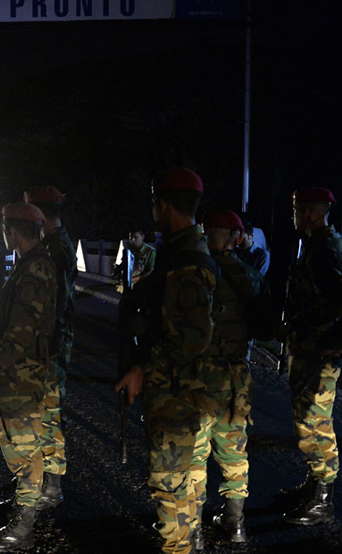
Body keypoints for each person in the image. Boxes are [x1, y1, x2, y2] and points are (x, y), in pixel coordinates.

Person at [116, 168, 217, 554]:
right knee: (188, 477)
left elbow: (193, 336)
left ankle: (178, 548)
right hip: (185, 387)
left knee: (170, 481)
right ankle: (187, 542)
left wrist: (143, 367)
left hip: (180, 392)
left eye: (153, 202)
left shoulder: (187, 260)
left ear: (164, 204)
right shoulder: (178, 252)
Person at [0, 202, 61, 552]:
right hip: (22, 373)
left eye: (5, 229)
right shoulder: (31, 265)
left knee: (24, 449)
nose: (2, 235)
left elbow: (21, 333)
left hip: (21, 376)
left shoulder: (34, 270)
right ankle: (23, 509)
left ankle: (22, 528)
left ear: (13, 231)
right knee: (23, 447)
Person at [190, 210, 274, 547]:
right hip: (236, 378)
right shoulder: (252, 278)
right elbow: (266, 328)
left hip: (198, 378)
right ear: (236, 238)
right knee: (234, 452)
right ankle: (235, 523)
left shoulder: (194, 274)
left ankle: (192, 529)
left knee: (194, 454)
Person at [280, 187, 342, 526]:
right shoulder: (319, 246)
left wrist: (334, 340)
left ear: (309, 212)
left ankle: (323, 501)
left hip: (318, 352)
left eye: (296, 210)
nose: (293, 216)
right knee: (308, 420)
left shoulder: (324, 251)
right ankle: (315, 486)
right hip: (310, 348)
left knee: (314, 423)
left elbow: (336, 301)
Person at [23, 185, 77, 511]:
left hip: (51, 343)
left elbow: (51, 305)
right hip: (51, 340)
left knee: (50, 413)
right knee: (44, 411)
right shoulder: (55, 244)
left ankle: (53, 485)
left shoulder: (56, 250)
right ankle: (44, 479)